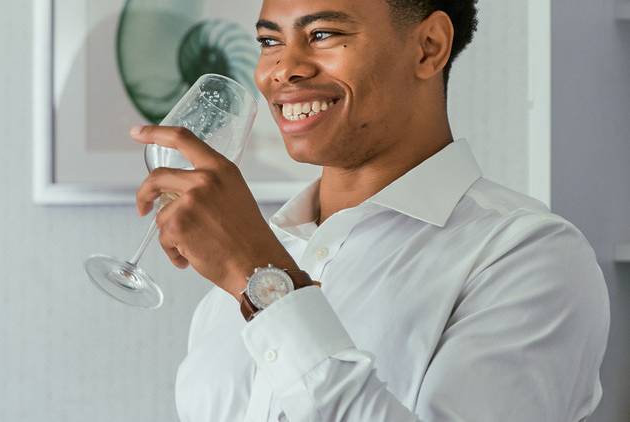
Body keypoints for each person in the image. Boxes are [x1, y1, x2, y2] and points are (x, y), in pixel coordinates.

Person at [129, 0, 610, 420]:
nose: (283, 69)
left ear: (429, 46)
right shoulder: (251, 261)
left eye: (322, 34)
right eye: (269, 41)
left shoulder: (529, 257)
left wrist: (261, 278)